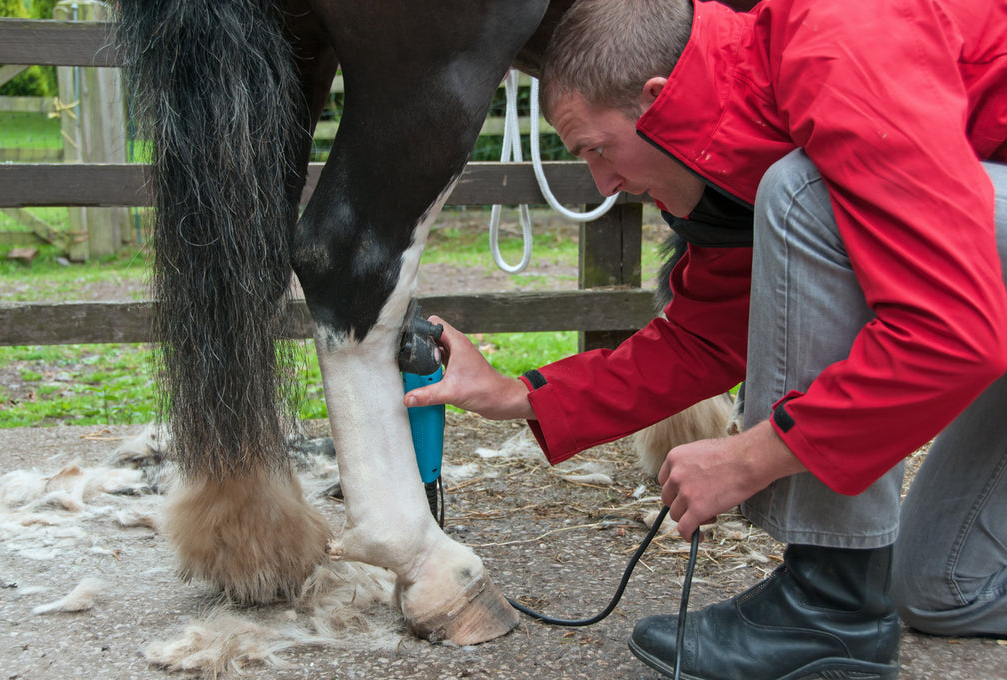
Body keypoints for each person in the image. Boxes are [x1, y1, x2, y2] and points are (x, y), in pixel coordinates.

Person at [405, 0, 1007, 677]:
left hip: (980, 297)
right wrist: (515, 393)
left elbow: (953, 334)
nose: (604, 184)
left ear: (658, 100)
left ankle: (828, 607)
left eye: (598, 150)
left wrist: (749, 457)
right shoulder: (746, 137)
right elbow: (703, 340)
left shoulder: (838, 42)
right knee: (944, 588)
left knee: (805, 193)